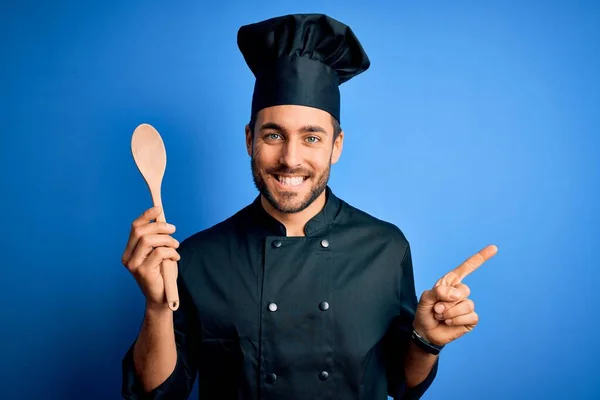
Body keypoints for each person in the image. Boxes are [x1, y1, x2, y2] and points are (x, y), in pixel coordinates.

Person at [120, 13, 498, 400]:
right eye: (273, 134)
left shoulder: (386, 248)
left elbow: (402, 383)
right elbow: (159, 393)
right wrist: (156, 307)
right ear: (250, 139)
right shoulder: (197, 257)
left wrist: (426, 342)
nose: (290, 158)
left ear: (337, 145)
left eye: (312, 137)